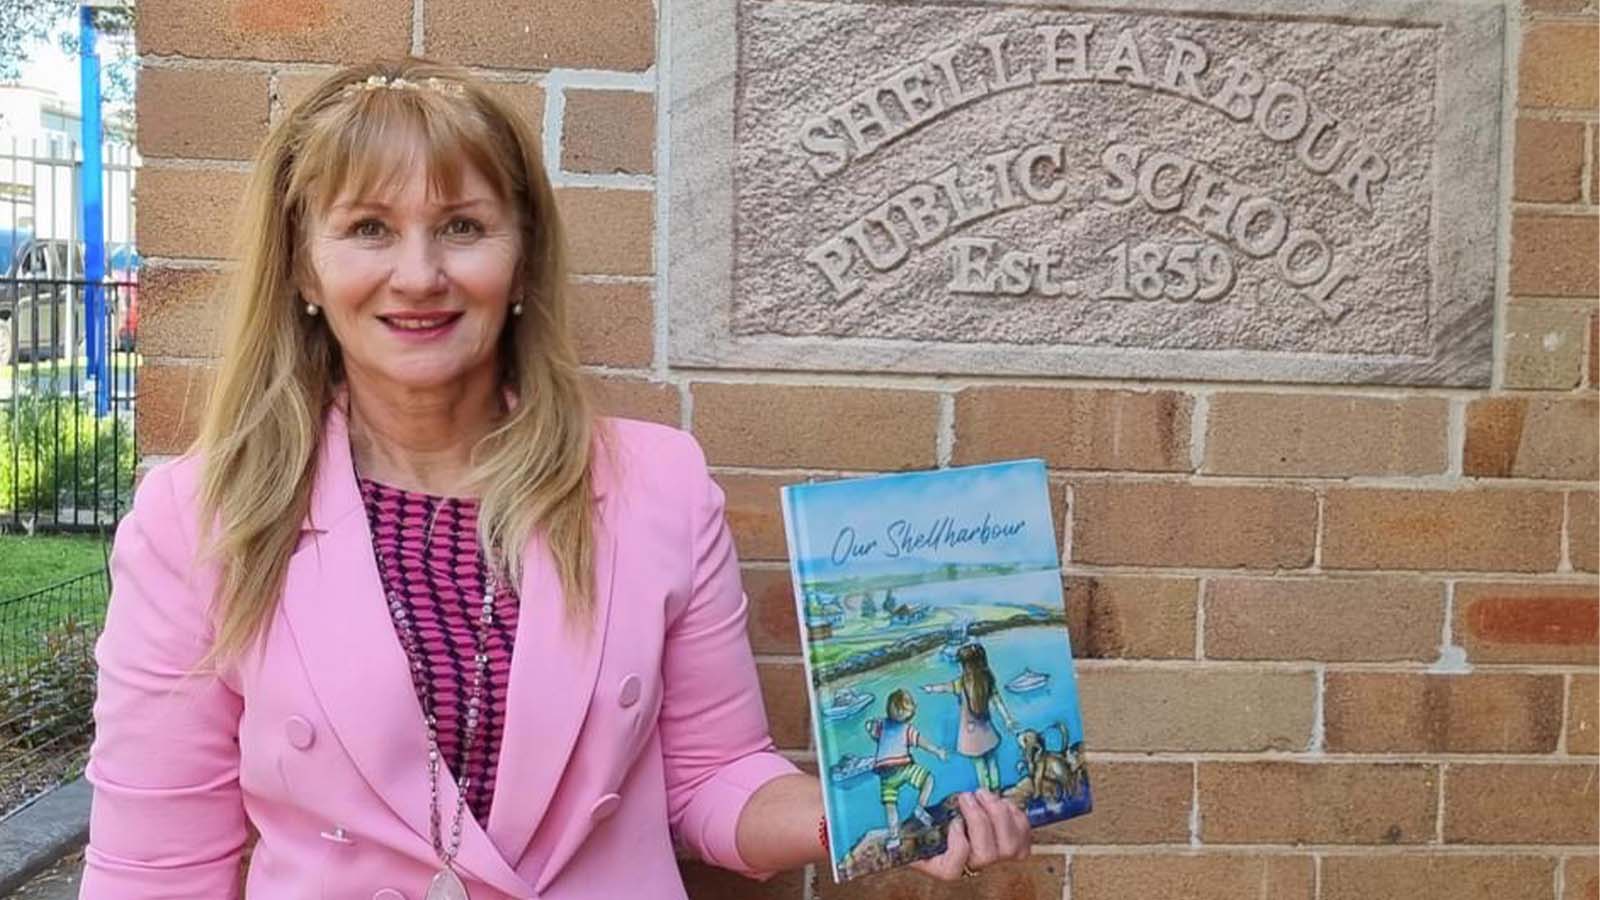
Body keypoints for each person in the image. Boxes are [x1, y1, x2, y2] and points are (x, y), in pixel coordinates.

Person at [80, 58, 1031, 899]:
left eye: (461, 225)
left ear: (522, 254)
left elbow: (711, 776)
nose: (419, 274)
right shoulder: (199, 517)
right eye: (369, 228)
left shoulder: (656, 485)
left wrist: (856, 816)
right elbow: (154, 868)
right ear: (304, 270)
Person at [922, 642, 1022, 792]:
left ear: (966, 666)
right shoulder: (987, 680)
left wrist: (930, 689)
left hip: (969, 734)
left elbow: (944, 687)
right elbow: (998, 701)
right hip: (986, 730)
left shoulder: (961, 683)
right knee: (992, 761)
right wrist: (1007, 719)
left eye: (962, 664)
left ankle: (987, 793)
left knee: (979, 765)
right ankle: (996, 791)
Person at [863, 689, 948, 852]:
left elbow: (869, 726)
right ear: (903, 712)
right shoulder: (907, 729)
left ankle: (894, 837)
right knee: (927, 779)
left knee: (890, 805)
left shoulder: (881, 725)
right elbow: (923, 743)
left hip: (885, 775)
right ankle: (920, 808)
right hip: (903, 767)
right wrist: (937, 751)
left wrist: (873, 730)